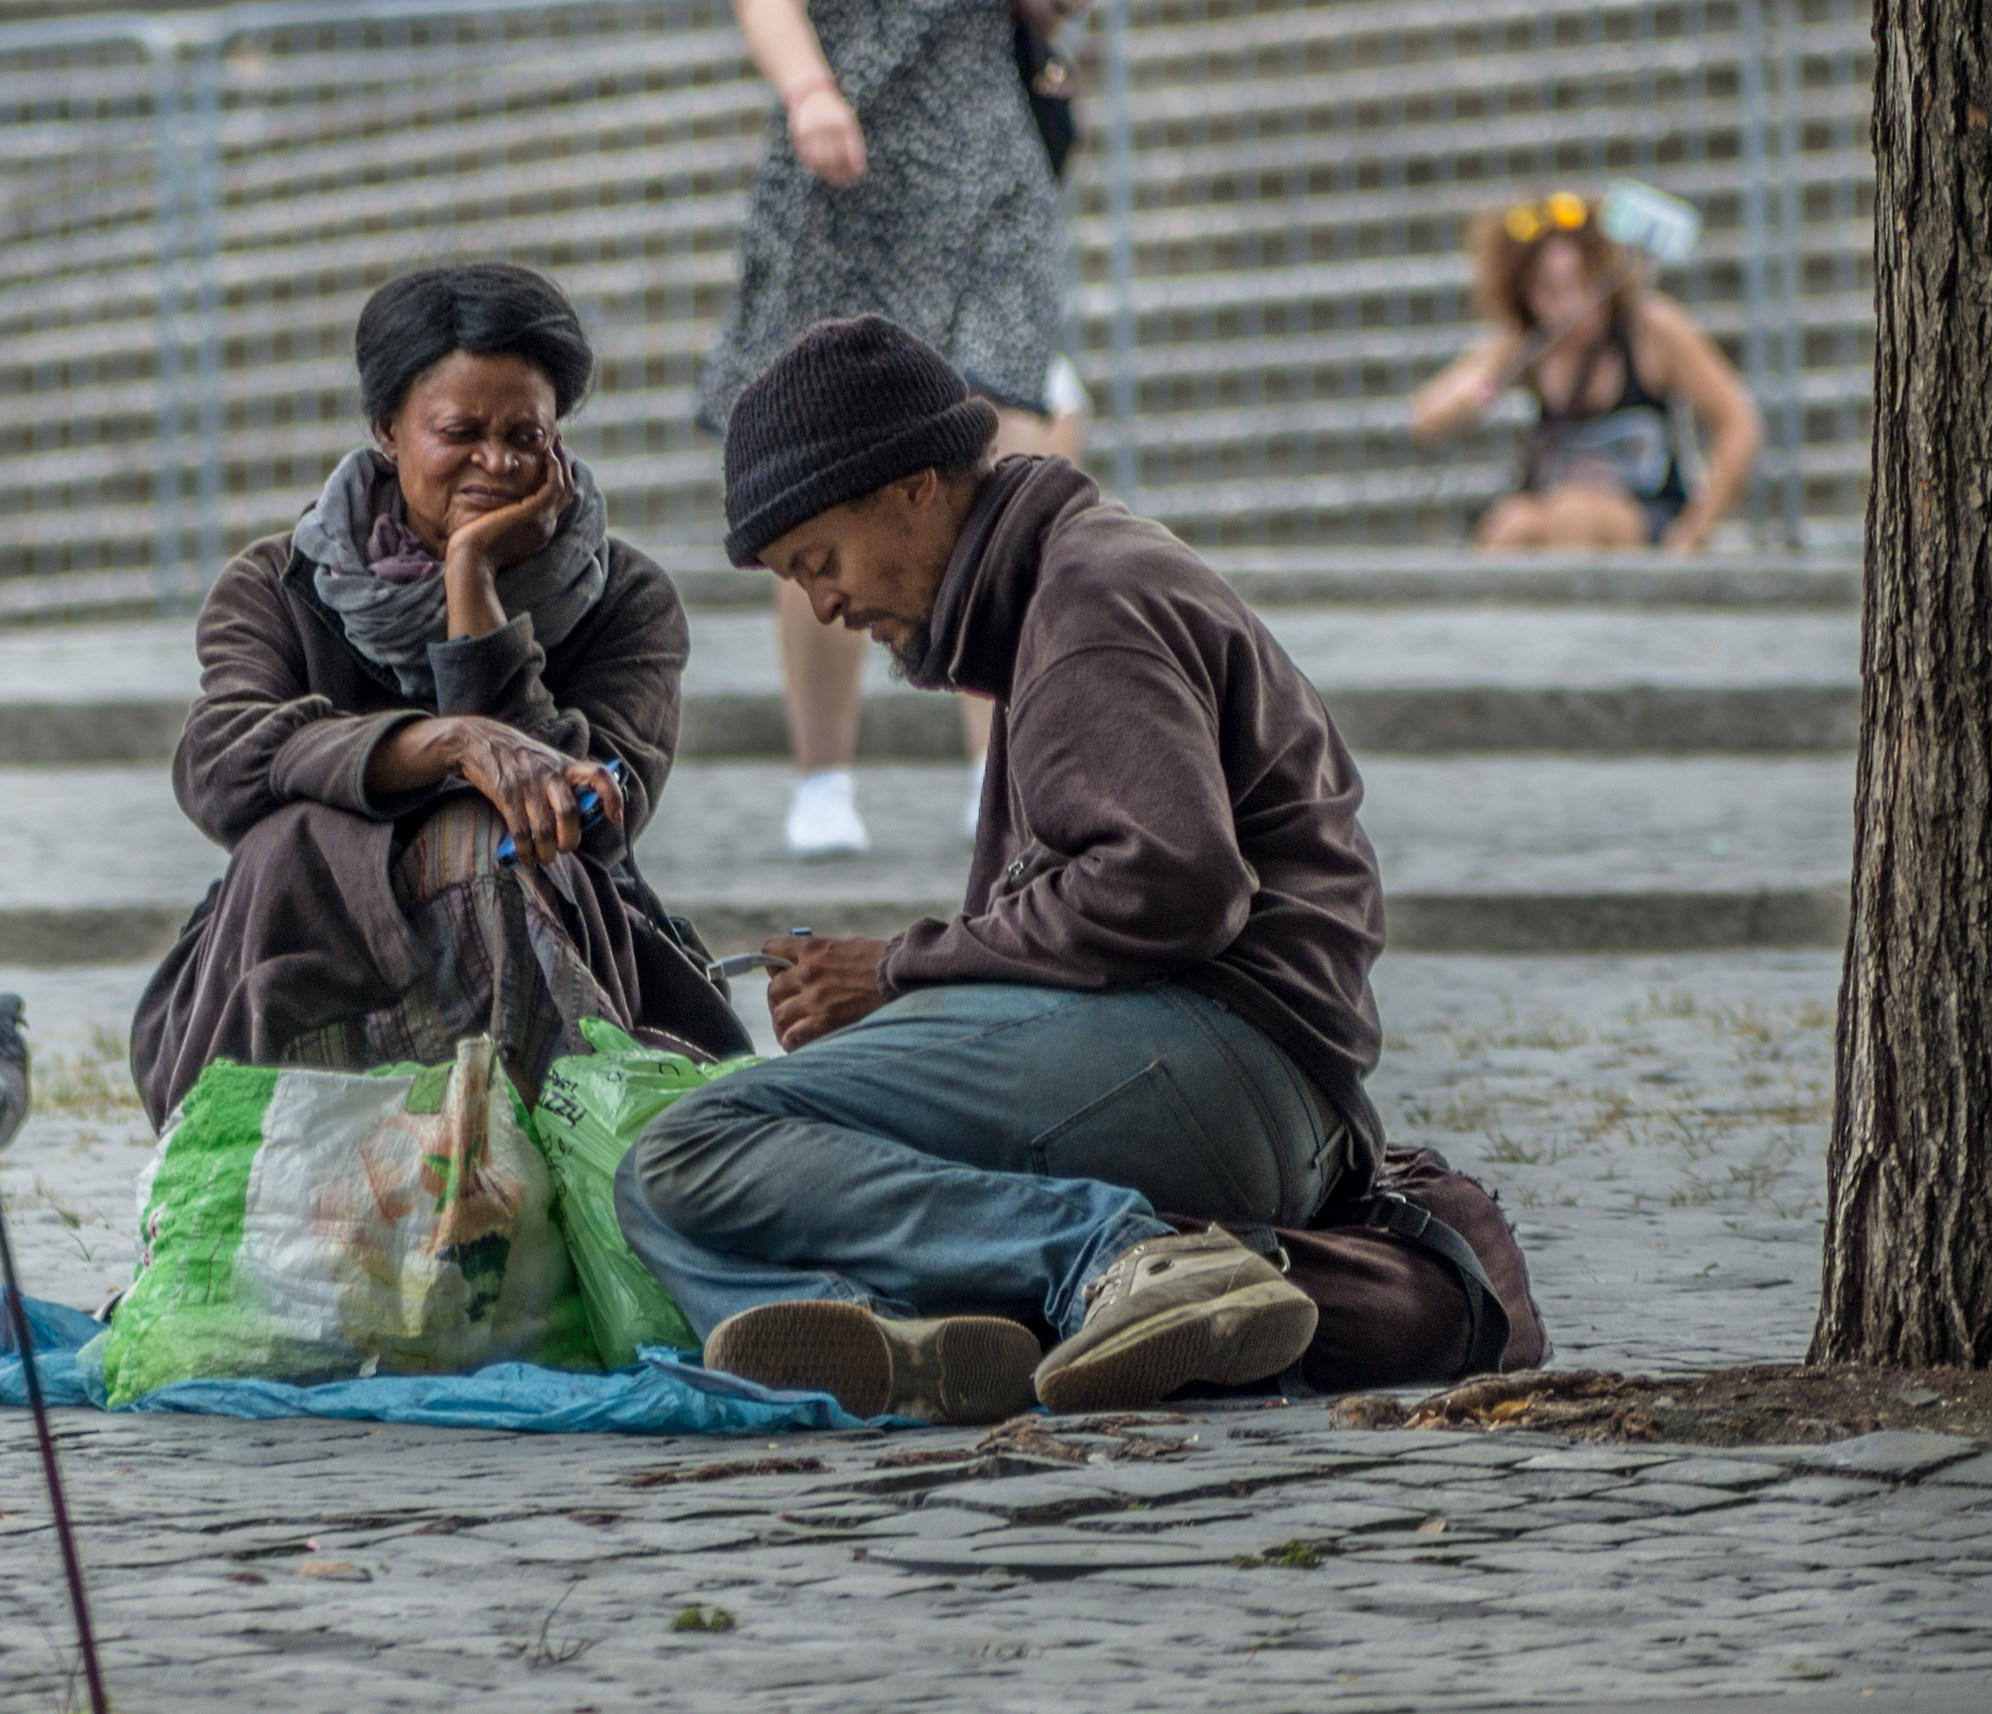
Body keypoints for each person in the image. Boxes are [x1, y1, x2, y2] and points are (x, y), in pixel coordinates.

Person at [616, 316, 1387, 1423]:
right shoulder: (1061, 582)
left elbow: (1173, 884)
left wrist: (897, 969)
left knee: (690, 1152)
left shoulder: (1085, 605)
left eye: (819, 561)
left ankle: (1115, 1259)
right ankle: (922, 1341)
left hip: (1226, 1063)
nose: (825, 605)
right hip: (1242, 1078)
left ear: (914, 487)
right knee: (740, 1164)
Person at [131, 264, 751, 1128]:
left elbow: (597, 818)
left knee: (503, 838)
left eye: (525, 436)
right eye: (459, 431)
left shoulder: (628, 601)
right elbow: (223, 763)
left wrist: (474, 580)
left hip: (551, 955)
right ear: (388, 428)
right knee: (295, 839)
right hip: (301, 957)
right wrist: (450, 744)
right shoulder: (279, 584)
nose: (495, 462)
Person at [701, 0, 1083, 859]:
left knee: (1005, 434)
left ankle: (1003, 763)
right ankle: (824, 776)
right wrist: (807, 91)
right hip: (848, 153)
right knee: (818, 479)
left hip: (984, 152)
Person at [1411, 190, 1763, 552]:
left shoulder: (1650, 329)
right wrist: (1466, 398)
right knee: (1512, 523)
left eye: (1580, 283)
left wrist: (1696, 529)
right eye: (1550, 291)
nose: (1571, 304)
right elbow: (1428, 414)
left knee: (1574, 513)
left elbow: (1739, 423)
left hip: (1641, 511)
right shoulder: (1525, 343)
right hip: (1552, 501)